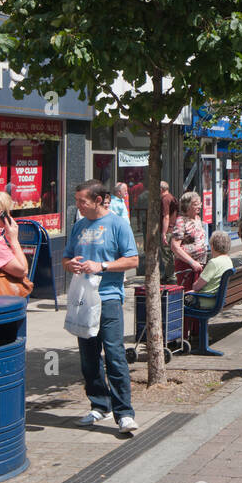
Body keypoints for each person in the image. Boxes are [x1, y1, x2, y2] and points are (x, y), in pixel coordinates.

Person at [65, 179, 140, 434]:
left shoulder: (118, 224)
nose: (78, 206)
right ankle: (99, 405)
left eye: (81, 201)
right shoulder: (78, 226)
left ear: (98, 200)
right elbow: (65, 257)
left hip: (108, 297)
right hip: (83, 299)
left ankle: (124, 413)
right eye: (77, 201)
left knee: (115, 355)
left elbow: (132, 260)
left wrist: (102, 266)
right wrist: (71, 263)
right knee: (88, 357)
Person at [169, 191, 208, 291]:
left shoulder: (198, 218)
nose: (199, 206)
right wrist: (192, 262)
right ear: (187, 206)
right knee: (188, 294)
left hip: (200, 264)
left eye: (200, 203)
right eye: (195, 204)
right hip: (187, 266)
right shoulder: (181, 221)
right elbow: (174, 246)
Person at [188, 230, 234, 302]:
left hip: (207, 300)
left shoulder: (213, 263)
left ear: (212, 246)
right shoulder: (228, 260)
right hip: (219, 299)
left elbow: (196, 287)